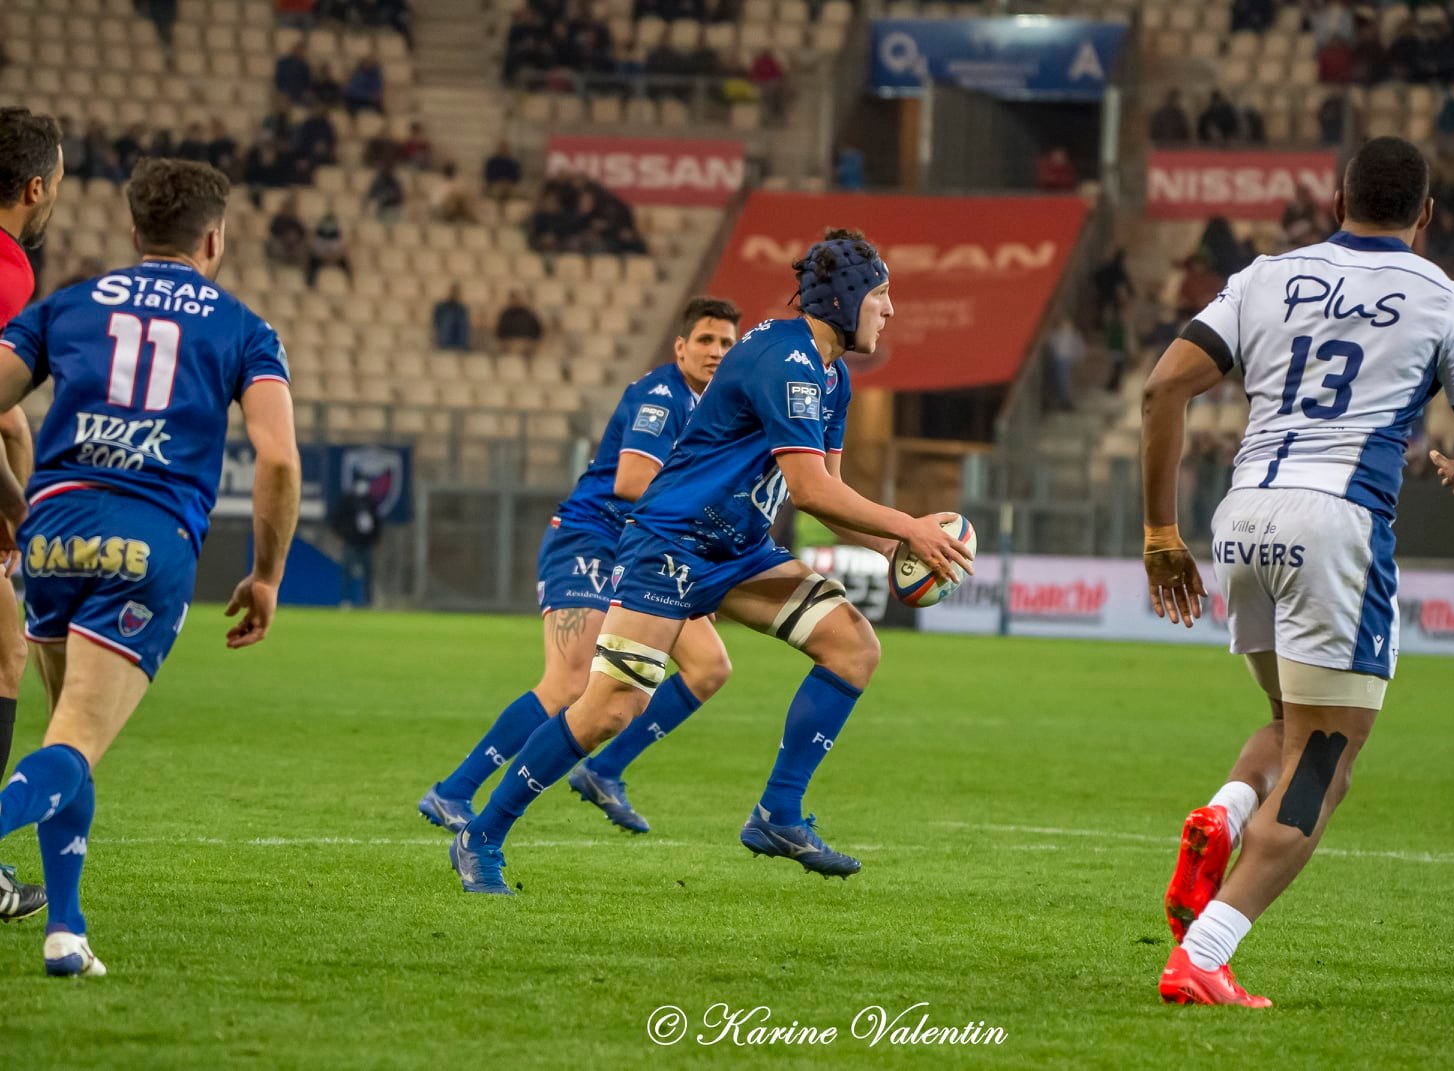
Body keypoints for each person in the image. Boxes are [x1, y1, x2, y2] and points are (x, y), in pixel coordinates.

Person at [447, 231, 972, 893]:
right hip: (671, 542)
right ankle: (481, 833)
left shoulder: (831, 376)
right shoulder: (785, 360)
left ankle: (778, 814)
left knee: (853, 646)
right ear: (844, 298)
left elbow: (827, 494)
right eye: (881, 295)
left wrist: (894, 547)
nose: (890, 309)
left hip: (738, 551)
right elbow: (810, 489)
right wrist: (909, 526)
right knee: (610, 708)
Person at [1139, 137, 1454, 1006]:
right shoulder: (1443, 297)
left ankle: (1227, 809)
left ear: (1337, 200)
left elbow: (1162, 390)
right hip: (1336, 523)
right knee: (1325, 760)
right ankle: (1204, 951)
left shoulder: (1264, 276)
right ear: (1427, 215)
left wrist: (1161, 532)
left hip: (1243, 517)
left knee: (1290, 724)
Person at [0, 158, 300, 975]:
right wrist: (266, 574)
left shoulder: (66, 305)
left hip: (52, 530)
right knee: (76, 738)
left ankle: (67, 930)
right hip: (148, 534)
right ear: (215, 239)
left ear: (135, 232)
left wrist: (13, 501)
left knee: (69, 733)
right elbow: (278, 460)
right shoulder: (244, 328)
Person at [421, 299, 743, 840]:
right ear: (680, 347)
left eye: (727, 343)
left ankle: (603, 770)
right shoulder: (661, 396)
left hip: (648, 549)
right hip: (592, 537)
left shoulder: (715, 409)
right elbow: (632, 481)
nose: (716, 351)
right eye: (706, 340)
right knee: (570, 682)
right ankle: (453, 791)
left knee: (709, 666)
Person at [0, 106, 62, 925]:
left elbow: (8, 415)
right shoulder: (9, 268)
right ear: (36, 187)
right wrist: (20, 508)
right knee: (5, 655)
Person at [330, 477, 382, 607]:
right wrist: (345, 534)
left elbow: (377, 523)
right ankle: (346, 600)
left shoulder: (370, 502)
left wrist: (374, 538)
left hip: (365, 544)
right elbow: (336, 520)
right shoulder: (348, 501)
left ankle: (367, 601)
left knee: (367, 574)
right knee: (347, 572)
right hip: (351, 542)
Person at [305, 212, 351, 288]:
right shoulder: (318, 235)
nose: (328, 227)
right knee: (312, 264)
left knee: (345, 264)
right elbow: (316, 250)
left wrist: (333, 258)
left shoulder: (337, 236)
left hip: (334, 259)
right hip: (320, 259)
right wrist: (324, 258)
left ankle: (349, 283)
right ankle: (310, 284)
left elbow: (339, 251)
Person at [433, 284, 470, 351]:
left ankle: (460, 346)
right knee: (448, 318)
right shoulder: (441, 308)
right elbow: (437, 322)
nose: (455, 294)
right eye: (454, 292)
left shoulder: (462, 309)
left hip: (458, 340)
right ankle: (446, 346)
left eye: (457, 292)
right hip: (445, 340)